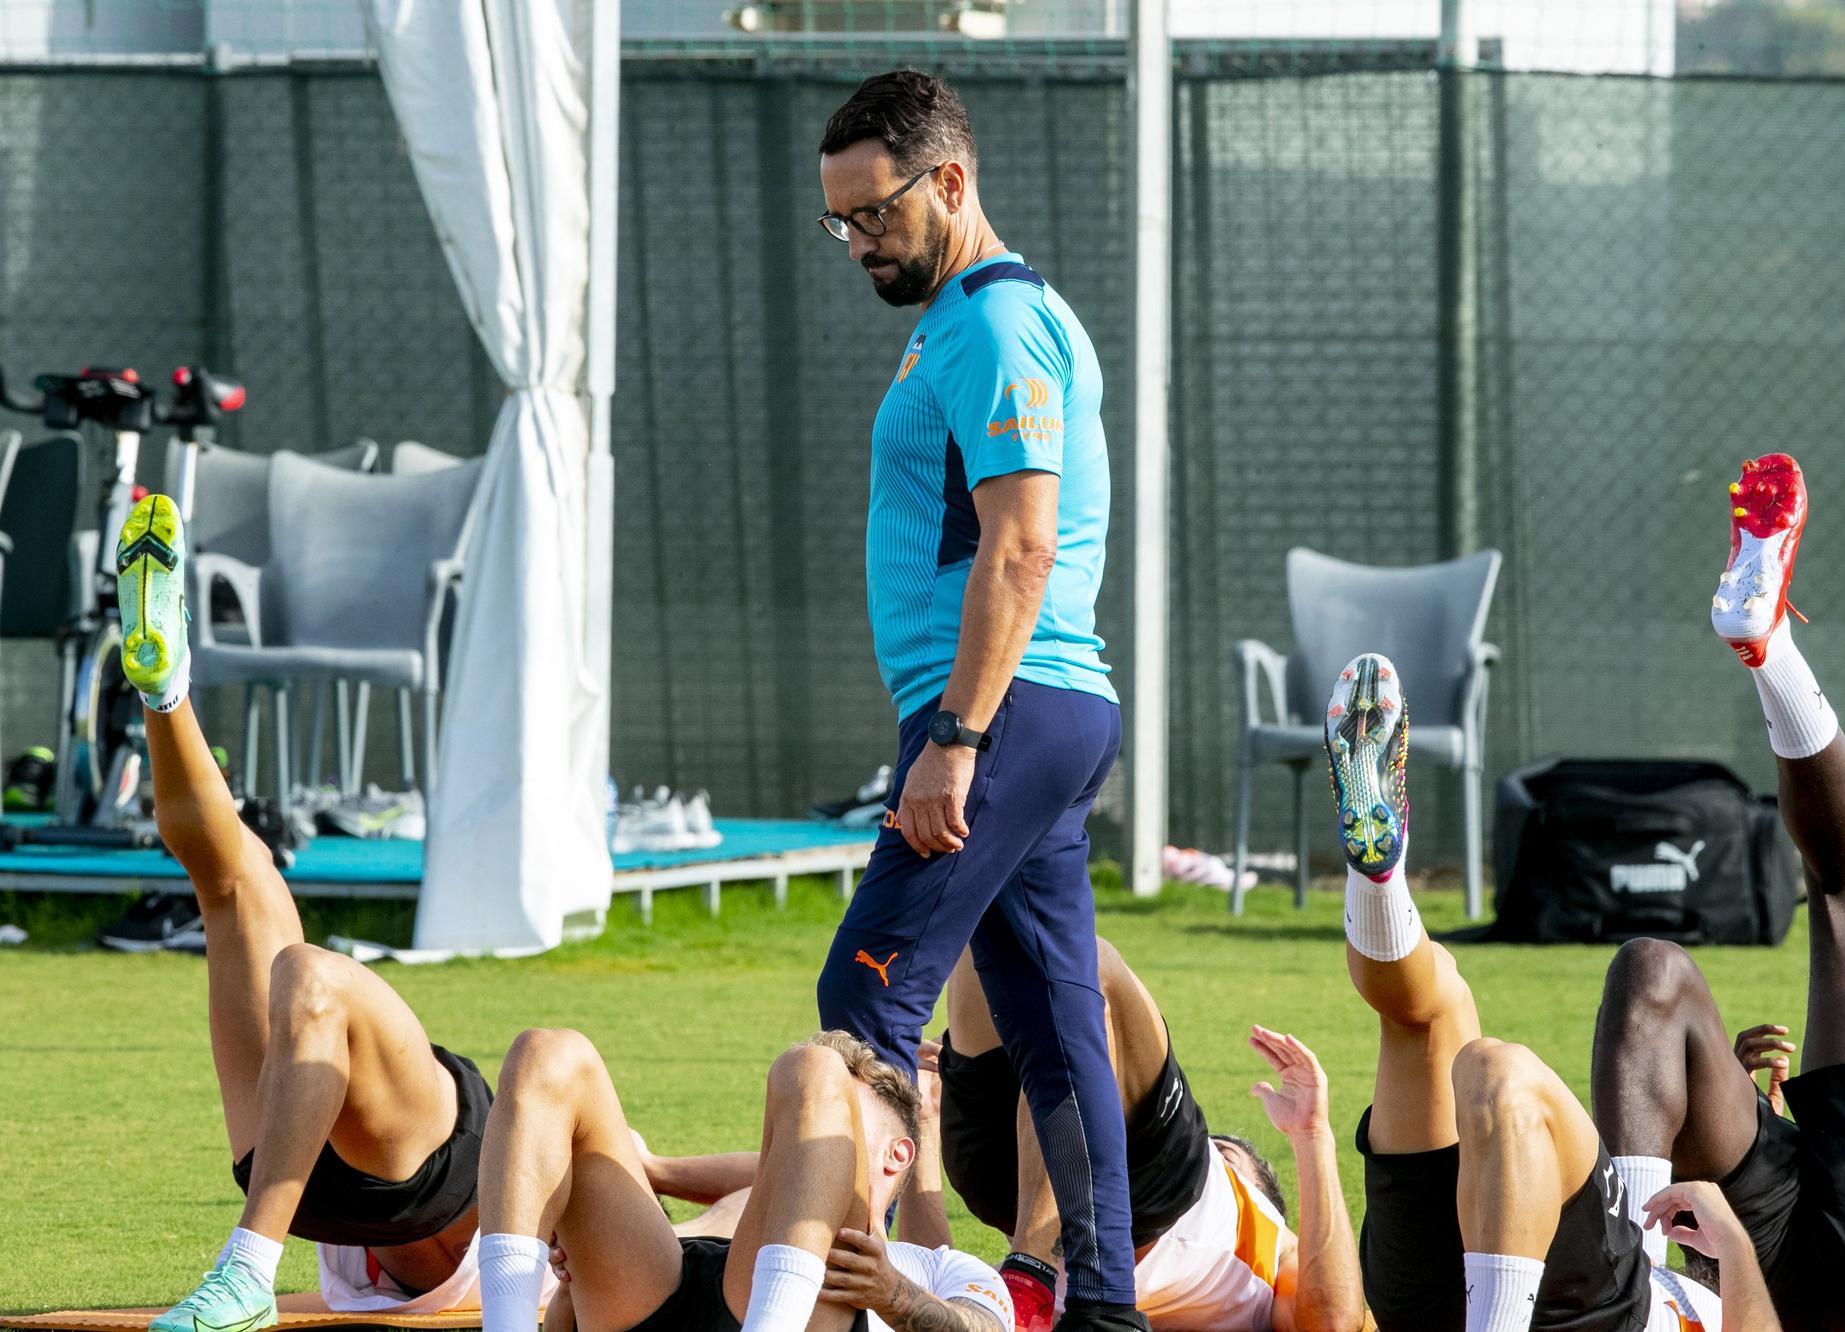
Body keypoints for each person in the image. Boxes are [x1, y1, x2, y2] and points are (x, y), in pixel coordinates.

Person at [810, 69, 1138, 1332]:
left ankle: (851, 1300)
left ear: (949, 182)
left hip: (1005, 711)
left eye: (874, 214)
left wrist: (954, 737)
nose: (855, 243)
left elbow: (1021, 546)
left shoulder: (997, 326)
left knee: (866, 998)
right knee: (1055, 1031)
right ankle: (1104, 1314)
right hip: (1019, 712)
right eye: (837, 220)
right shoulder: (957, 321)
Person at [114, 495, 547, 1332]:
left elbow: (744, 1192)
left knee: (303, 968)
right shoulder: (610, 1184)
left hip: (396, 1195)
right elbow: (745, 1187)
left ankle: (246, 1271)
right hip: (322, 1178)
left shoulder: (605, 1198)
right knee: (237, 876)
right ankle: (166, 696)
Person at [1590, 454, 1845, 1332]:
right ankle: (1623, 1289)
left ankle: (1771, 649)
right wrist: (1729, 1106)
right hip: (1822, 1250)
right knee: (1658, 973)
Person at [1327, 651, 1774, 1331]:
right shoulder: (1705, 1285)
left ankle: (1377, 876)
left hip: (1609, 1309)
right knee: (1430, 1006)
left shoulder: (1702, 1299)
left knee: (1499, 1074)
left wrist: (1734, 1235)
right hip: (1456, 1292)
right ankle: (1378, 883)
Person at [931, 941, 1364, 1332]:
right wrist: (922, 1115)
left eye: (1227, 1152)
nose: (1217, 1148)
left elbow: (1334, 1321)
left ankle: (1030, 1266)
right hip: (1032, 1193)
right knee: (1000, 928)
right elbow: (930, 1269)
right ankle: (1030, 1267)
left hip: (1078, 1198)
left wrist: (1313, 1135)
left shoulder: (1271, 1256)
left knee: (1078, 968)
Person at [471, 1027, 1013, 1332]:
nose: (801, 1128)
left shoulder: (936, 1269)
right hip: (682, 1286)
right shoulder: (759, 1205)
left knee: (814, 1065)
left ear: (897, 1153)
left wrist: (892, 1294)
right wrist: (576, 1283)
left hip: (809, 1308)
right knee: (546, 1052)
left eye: (832, 1112)